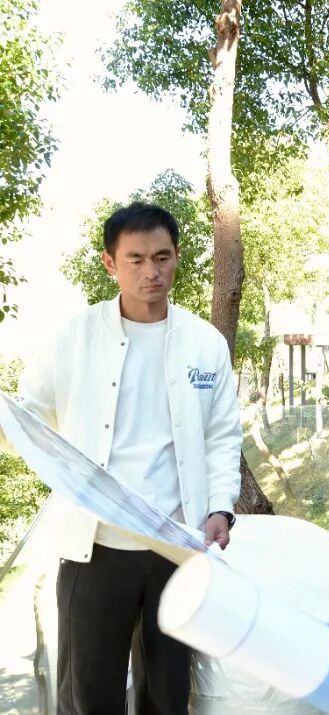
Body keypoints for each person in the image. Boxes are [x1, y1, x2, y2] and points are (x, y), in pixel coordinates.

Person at [0, 202, 241, 713]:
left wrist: (220, 506)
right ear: (110, 263)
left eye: (161, 257)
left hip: (176, 543)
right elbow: (27, 422)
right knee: (88, 693)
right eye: (135, 259)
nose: (151, 271)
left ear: (177, 257)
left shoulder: (204, 343)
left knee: (167, 693)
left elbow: (222, 436)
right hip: (94, 545)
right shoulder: (72, 338)